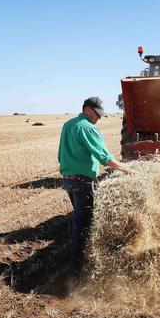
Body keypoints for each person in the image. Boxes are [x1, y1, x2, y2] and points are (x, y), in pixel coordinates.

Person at [58, 97, 133, 272]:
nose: (98, 118)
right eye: (97, 114)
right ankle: (77, 266)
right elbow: (105, 158)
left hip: (68, 179)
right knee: (84, 222)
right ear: (87, 110)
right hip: (82, 181)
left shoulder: (68, 124)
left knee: (79, 218)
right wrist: (127, 170)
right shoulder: (88, 129)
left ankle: (77, 258)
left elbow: (60, 154)